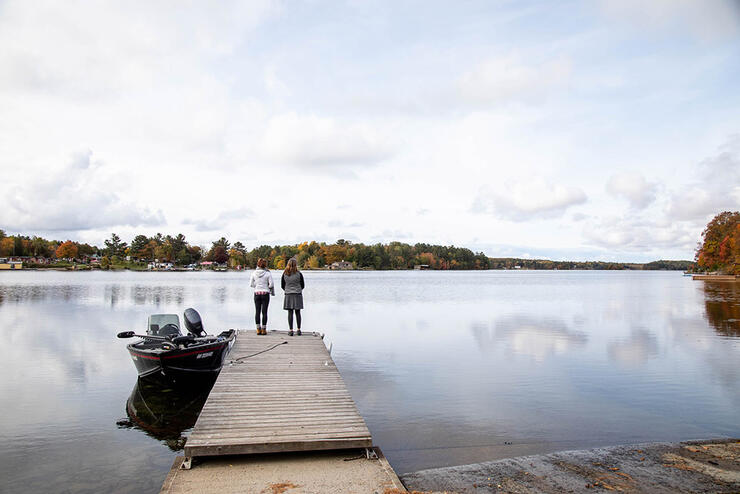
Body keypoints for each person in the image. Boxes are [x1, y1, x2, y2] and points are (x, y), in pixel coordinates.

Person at [281, 257, 305, 336]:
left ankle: (291, 330)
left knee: (290, 312)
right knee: (298, 312)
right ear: (296, 265)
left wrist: (287, 289)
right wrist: (298, 289)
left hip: (288, 294)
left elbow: (282, 285)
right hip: (297, 294)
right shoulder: (299, 274)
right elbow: (303, 285)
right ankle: (298, 330)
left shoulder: (284, 274)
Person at [249, 258, 274, 335]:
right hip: (265, 293)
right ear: (265, 265)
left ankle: (258, 329)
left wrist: (257, 286)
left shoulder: (254, 273)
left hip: (257, 293)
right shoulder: (268, 273)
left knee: (257, 311)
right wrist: (266, 286)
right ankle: (264, 329)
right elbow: (271, 285)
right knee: (264, 312)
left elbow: (251, 284)